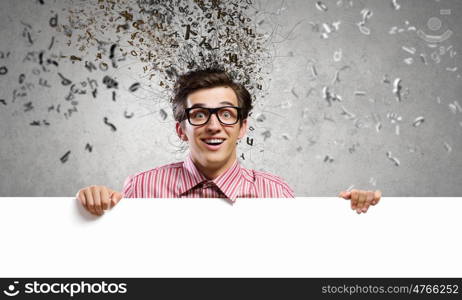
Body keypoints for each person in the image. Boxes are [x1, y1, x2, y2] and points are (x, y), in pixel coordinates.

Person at [76, 68, 382, 216]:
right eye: (199, 115)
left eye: (226, 114)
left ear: (243, 126)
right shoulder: (140, 189)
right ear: (181, 129)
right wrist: (91, 207)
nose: (213, 126)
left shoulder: (276, 194)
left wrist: (351, 216)